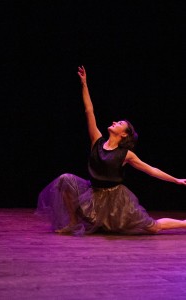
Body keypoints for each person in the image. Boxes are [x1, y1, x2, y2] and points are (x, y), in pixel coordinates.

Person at [36, 65, 186, 236]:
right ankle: (73, 222)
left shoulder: (125, 155)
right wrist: (84, 84)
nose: (115, 122)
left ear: (124, 134)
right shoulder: (96, 141)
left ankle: (184, 224)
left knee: (152, 227)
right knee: (65, 179)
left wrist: (176, 180)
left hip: (116, 200)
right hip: (92, 193)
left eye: (120, 123)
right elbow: (89, 111)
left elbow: (151, 170)